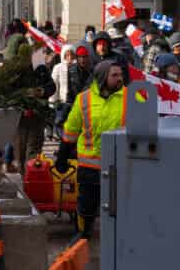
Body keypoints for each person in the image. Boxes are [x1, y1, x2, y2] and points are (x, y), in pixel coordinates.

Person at [57, 60, 127, 240]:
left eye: (120, 75)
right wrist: (62, 157)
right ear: (103, 77)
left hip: (119, 165)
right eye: (114, 75)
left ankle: (118, 239)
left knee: (119, 206)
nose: (120, 79)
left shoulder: (131, 97)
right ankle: (82, 234)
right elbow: (71, 130)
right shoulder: (84, 99)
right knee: (86, 206)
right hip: (90, 166)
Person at [11, 43, 55, 175]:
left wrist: (42, 92)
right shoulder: (15, 70)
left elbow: (51, 86)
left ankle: (30, 182)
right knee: (20, 152)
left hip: (37, 117)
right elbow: (7, 90)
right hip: (19, 117)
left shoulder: (41, 69)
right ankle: (22, 180)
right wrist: (21, 97)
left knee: (33, 152)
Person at [49, 45, 76, 140]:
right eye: (67, 55)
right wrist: (52, 100)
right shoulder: (58, 68)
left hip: (74, 102)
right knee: (60, 123)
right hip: (62, 101)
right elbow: (54, 85)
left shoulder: (77, 68)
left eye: (71, 55)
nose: (69, 57)